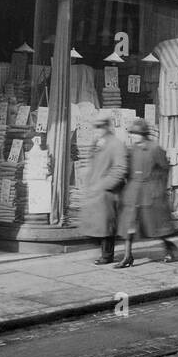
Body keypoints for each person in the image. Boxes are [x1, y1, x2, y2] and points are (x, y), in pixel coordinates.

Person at [113, 118, 178, 267]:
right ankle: (128, 256)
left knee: (154, 225)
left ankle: (168, 246)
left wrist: (159, 187)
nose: (134, 136)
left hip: (150, 192)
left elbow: (164, 169)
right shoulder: (132, 150)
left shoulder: (155, 149)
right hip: (133, 191)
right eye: (132, 134)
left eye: (136, 134)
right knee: (128, 224)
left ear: (144, 134)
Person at [79, 110, 128, 265]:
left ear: (107, 126)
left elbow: (120, 169)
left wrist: (105, 185)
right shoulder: (97, 143)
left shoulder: (116, 144)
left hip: (107, 192)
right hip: (95, 190)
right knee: (98, 224)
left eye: (100, 126)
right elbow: (92, 163)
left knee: (106, 225)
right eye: (96, 127)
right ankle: (104, 252)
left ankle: (107, 255)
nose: (97, 130)